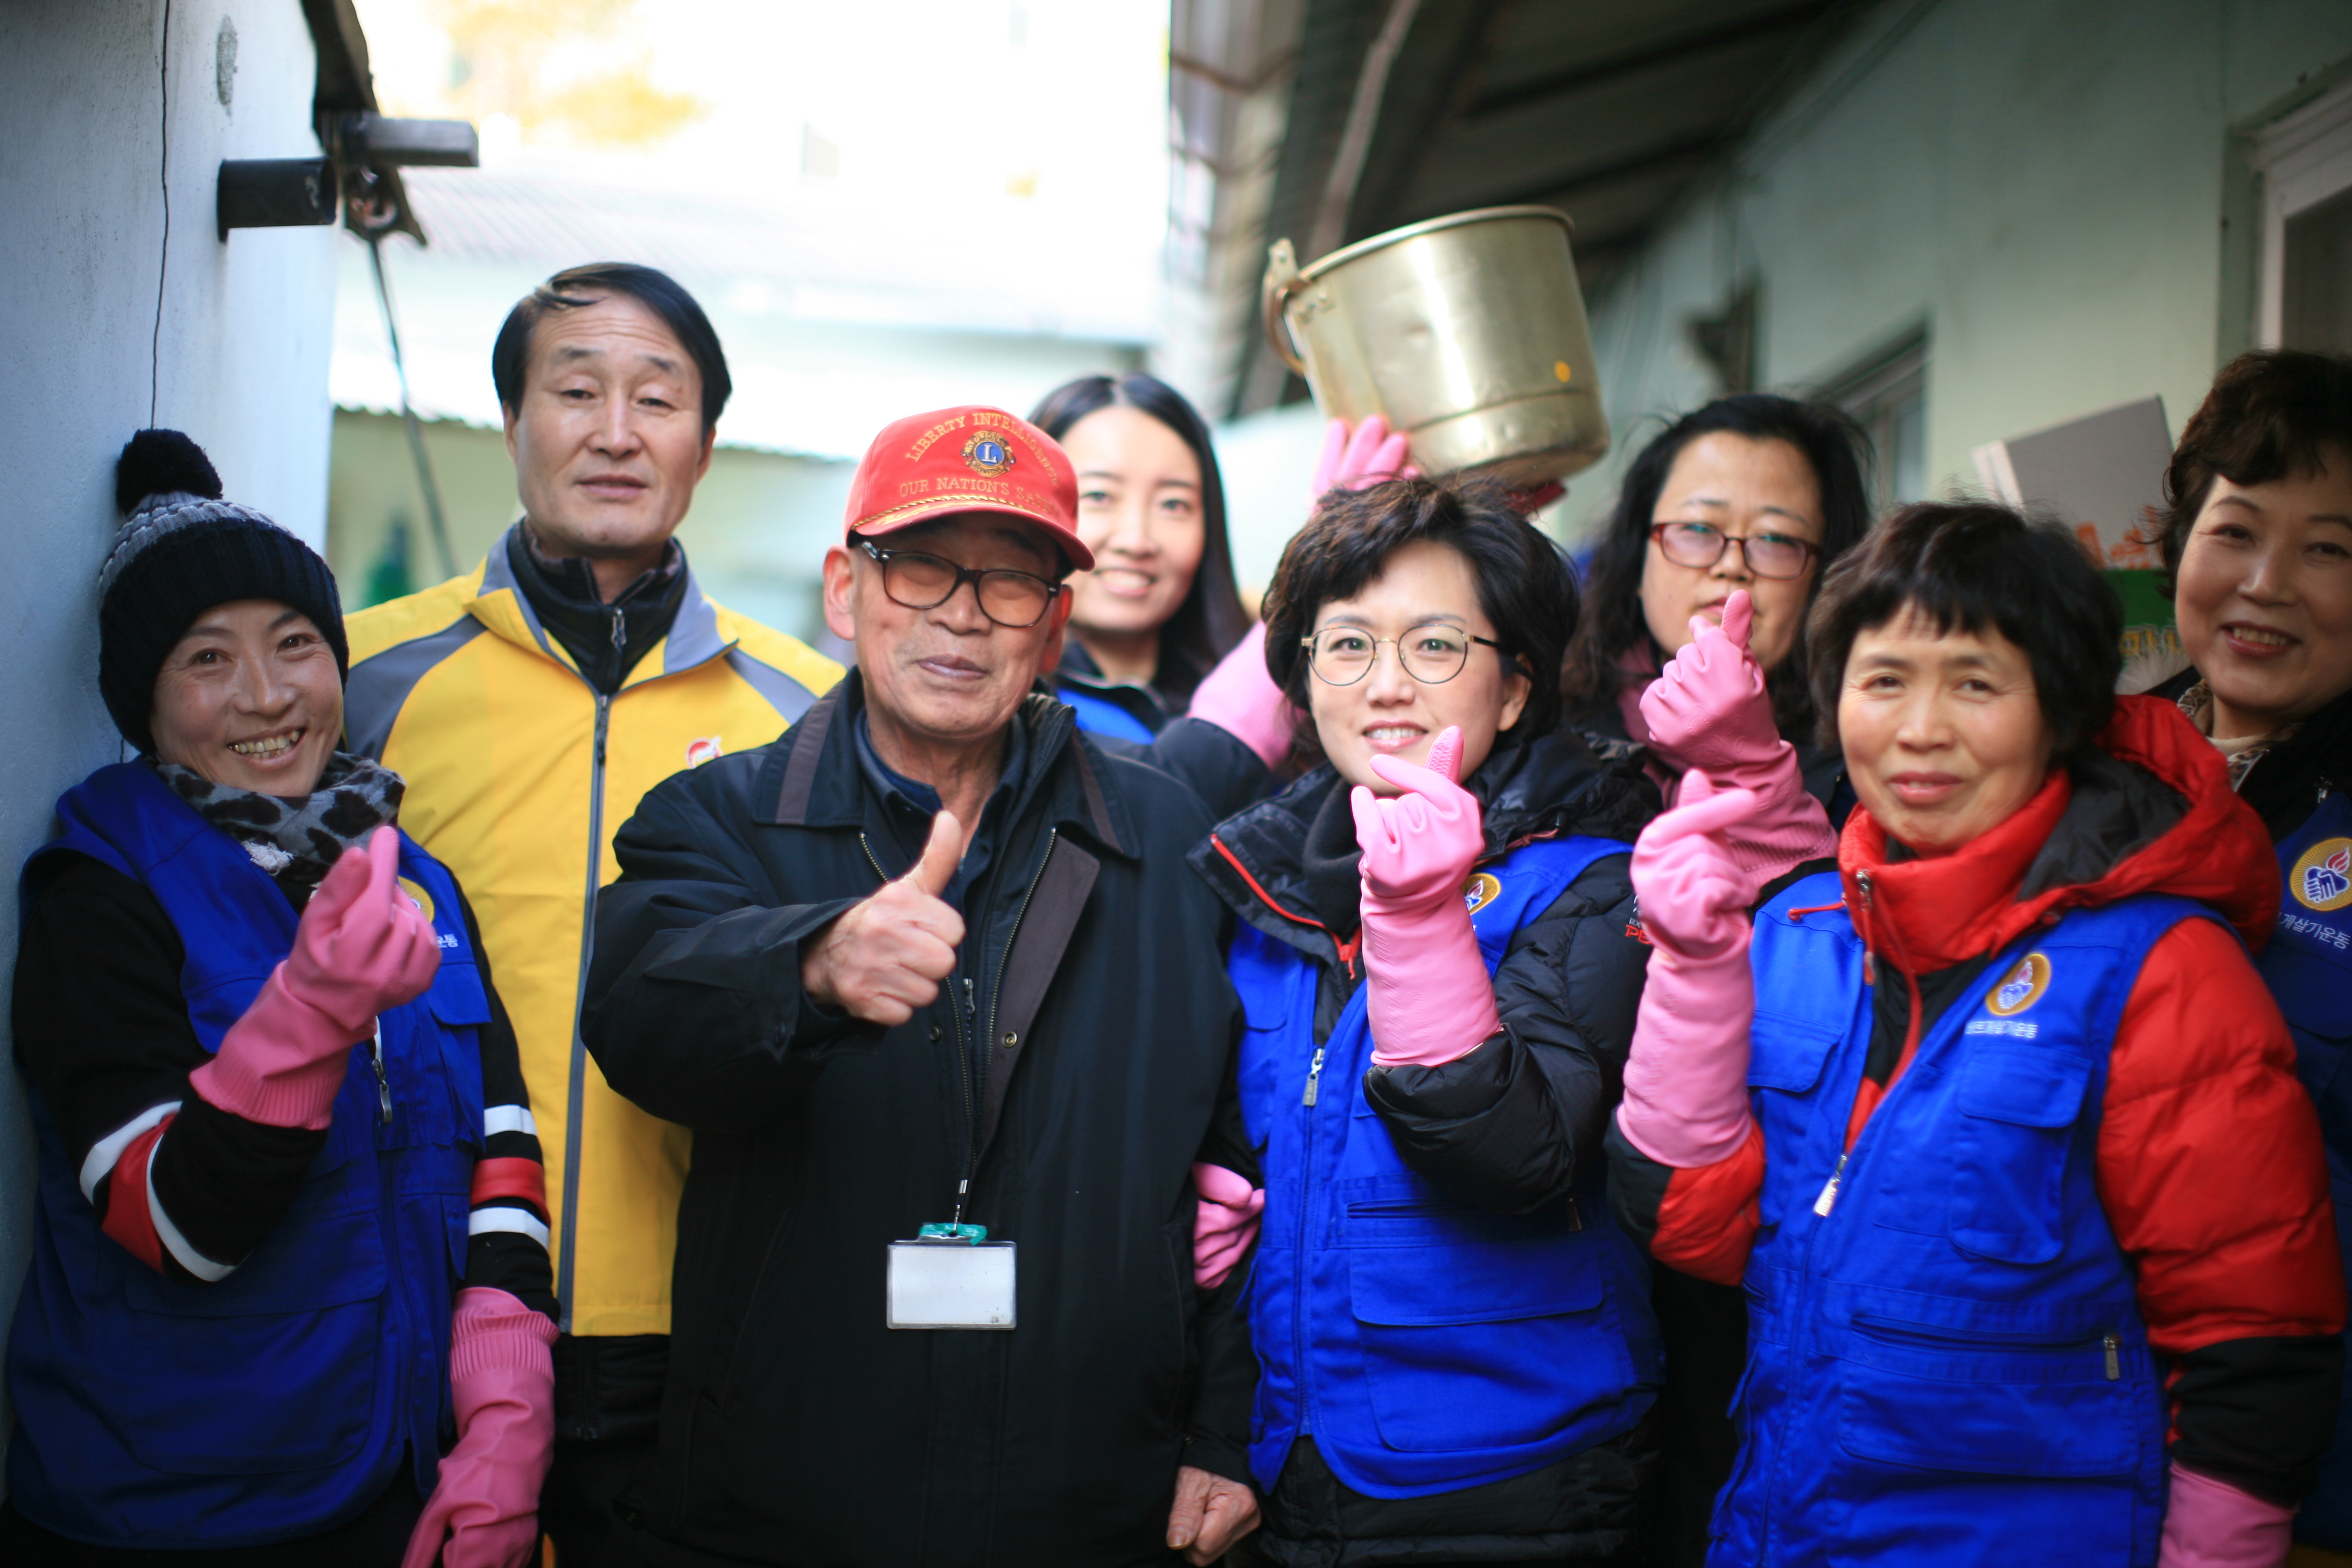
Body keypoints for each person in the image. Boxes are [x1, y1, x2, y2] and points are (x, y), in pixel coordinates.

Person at [580, 404, 1261, 1566]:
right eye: (923, 568)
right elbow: (640, 1017)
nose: (962, 614)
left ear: (1054, 631)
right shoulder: (719, 819)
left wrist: (1223, 1429)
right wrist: (811, 967)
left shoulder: (1165, 835)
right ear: (846, 590)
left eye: (1011, 584)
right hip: (789, 1498)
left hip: (1091, 1501)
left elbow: (1245, 1160)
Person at [1608, 501, 2346, 1565]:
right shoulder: (1796, 932)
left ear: (2060, 713)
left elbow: (2257, 1349)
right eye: (1886, 679)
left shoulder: (2162, 968)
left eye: (1975, 682)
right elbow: (1694, 1226)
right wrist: (1695, 965)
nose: (1920, 729)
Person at [341, 263, 843, 1562]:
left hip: (704, 1317)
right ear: (513, 423)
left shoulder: (808, 712)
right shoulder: (359, 683)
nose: (615, 432)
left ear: (705, 445)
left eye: (657, 400)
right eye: (575, 391)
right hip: (412, 1298)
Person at [3, 432, 555, 1566]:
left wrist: (506, 1406)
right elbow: (169, 1226)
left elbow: (501, 1139)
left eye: (296, 645)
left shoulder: (415, 874)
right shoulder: (99, 889)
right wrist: (309, 1014)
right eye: (207, 660)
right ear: (140, 698)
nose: (267, 696)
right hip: (168, 1508)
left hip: (389, 1482)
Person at [1188, 475, 1667, 1564]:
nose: (1387, 685)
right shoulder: (1257, 894)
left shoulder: (1598, 889)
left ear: (1513, 692)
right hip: (1287, 1468)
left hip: (1514, 1477)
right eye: (1347, 645)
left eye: (1437, 646)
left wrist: (1419, 918)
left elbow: (1514, 1157)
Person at [2147, 348, 2352, 1557]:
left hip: (2312, 1492)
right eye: (2235, 529)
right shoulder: (2084, 770)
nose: (2266, 584)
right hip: (2061, 1457)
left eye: (2332, 548)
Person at [1561, 394, 1874, 813]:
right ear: (1636, 560)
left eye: (1775, 539)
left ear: (1826, 581)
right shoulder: (1545, 731)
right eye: (1697, 528)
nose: (1732, 565)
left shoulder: (1868, 768)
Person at [1028, 372, 1252, 739]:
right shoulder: (1002, 723)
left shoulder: (1280, 712)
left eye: (1173, 504)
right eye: (1099, 496)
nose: (1137, 540)